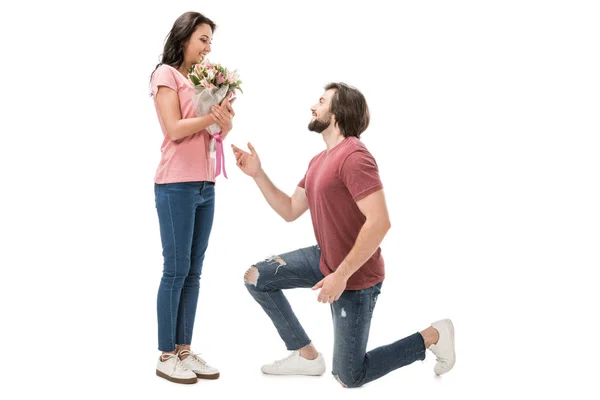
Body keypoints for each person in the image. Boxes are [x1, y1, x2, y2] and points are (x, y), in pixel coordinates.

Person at [232, 82, 455, 388]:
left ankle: (433, 335)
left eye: (321, 101)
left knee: (349, 376)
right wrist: (257, 173)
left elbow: (380, 222)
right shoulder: (318, 161)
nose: (314, 106)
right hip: (324, 258)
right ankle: (306, 354)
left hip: (357, 275)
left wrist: (341, 275)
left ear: (337, 114)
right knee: (256, 277)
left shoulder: (354, 156)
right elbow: (290, 210)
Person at [150, 11, 235, 384]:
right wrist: (209, 116)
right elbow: (174, 128)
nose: (207, 47)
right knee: (176, 269)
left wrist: (224, 120)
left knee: (194, 271)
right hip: (175, 185)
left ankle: (184, 349)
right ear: (184, 38)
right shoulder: (165, 75)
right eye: (202, 39)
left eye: (210, 42)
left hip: (205, 186)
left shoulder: (202, 79)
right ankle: (166, 354)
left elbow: (214, 132)